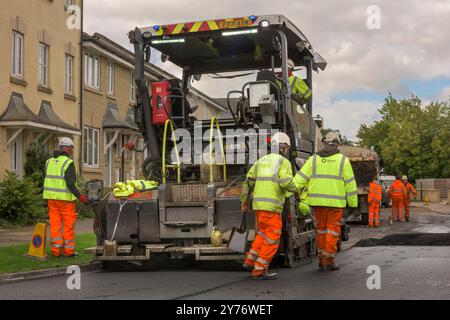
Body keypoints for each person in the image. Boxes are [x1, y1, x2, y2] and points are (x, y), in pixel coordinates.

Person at [293, 131, 358, 271]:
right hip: (335, 204)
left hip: (318, 204)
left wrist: (286, 192)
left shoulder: (314, 159)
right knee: (332, 231)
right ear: (336, 145)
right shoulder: (342, 160)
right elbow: (350, 185)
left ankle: (322, 257)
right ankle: (328, 259)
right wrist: (353, 204)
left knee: (321, 230)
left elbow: (300, 179)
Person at [241, 132, 299, 280]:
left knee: (262, 234)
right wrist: (296, 190)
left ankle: (250, 261)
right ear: (284, 147)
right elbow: (286, 182)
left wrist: (244, 203)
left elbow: (248, 183)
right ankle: (260, 270)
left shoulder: (261, 161)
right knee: (272, 239)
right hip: (272, 208)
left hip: (259, 206)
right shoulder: (282, 162)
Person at [43, 137, 89, 257]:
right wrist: (80, 197)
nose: (73, 151)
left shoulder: (49, 162)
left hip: (52, 199)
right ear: (68, 148)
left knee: (55, 225)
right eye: (72, 148)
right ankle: (68, 252)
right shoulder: (68, 163)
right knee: (68, 226)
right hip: (65, 201)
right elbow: (70, 184)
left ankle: (56, 251)